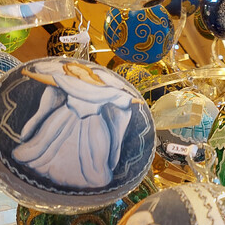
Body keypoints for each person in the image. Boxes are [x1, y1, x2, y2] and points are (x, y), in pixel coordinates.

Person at [13, 60, 146, 189]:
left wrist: (137, 101)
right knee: (49, 142)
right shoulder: (71, 82)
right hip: (66, 116)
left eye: (76, 68)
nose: (75, 71)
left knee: (95, 152)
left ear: (85, 69)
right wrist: (28, 73)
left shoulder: (103, 87)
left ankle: (87, 177)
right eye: (71, 70)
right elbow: (50, 79)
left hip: (93, 122)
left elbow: (119, 97)